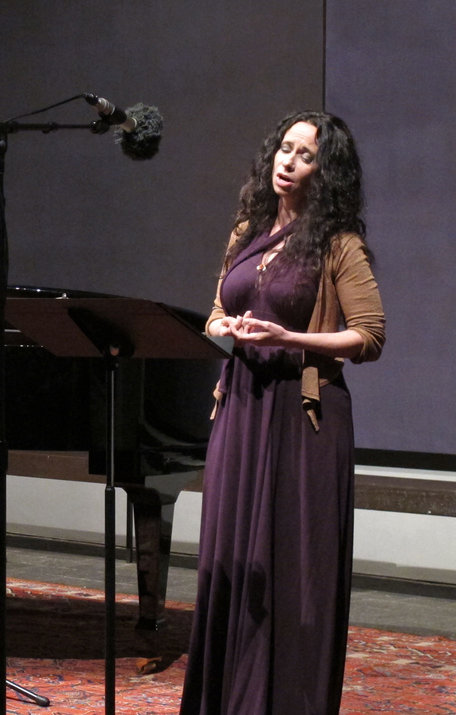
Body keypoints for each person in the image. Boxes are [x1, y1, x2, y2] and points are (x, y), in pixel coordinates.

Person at [179, 111, 386, 714]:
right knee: (233, 563)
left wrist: (288, 339)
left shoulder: (339, 245)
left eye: (306, 155)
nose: (288, 161)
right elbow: (218, 307)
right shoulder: (248, 227)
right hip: (241, 407)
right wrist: (227, 326)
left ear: (328, 172)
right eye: (284, 148)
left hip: (302, 420)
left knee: (294, 576)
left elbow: (369, 336)